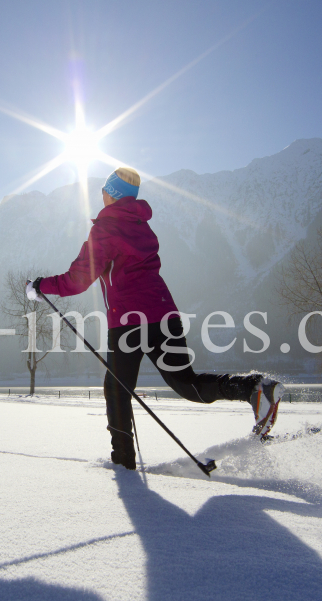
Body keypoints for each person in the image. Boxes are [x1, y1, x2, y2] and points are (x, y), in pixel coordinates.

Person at [27, 167, 284, 470]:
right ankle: (254, 387)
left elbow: (79, 279)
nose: (101, 194)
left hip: (128, 323)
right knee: (186, 383)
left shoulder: (106, 228)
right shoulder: (142, 226)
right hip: (164, 315)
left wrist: (41, 286)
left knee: (117, 390)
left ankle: (123, 464)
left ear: (112, 193)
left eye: (104, 190)